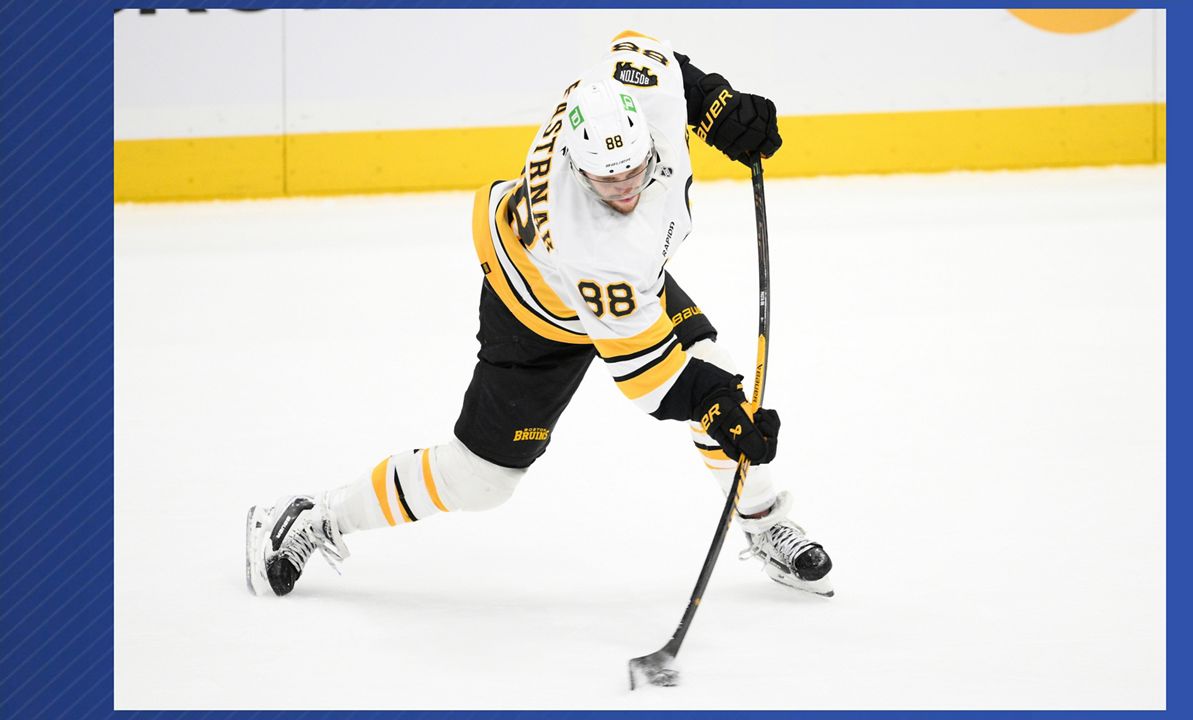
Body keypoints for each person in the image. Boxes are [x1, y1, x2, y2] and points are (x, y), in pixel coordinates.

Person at [245, 31, 834, 600]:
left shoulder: (622, 95)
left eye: (634, 171)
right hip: (534, 309)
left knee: (717, 368)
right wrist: (715, 405)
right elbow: (651, 381)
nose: (626, 189)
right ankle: (316, 516)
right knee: (480, 480)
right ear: (579, 170)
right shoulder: (598, 248)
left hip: (620, 284)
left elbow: (659, 61)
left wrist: (715, 105)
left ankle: (762, 521)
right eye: (608, 181)